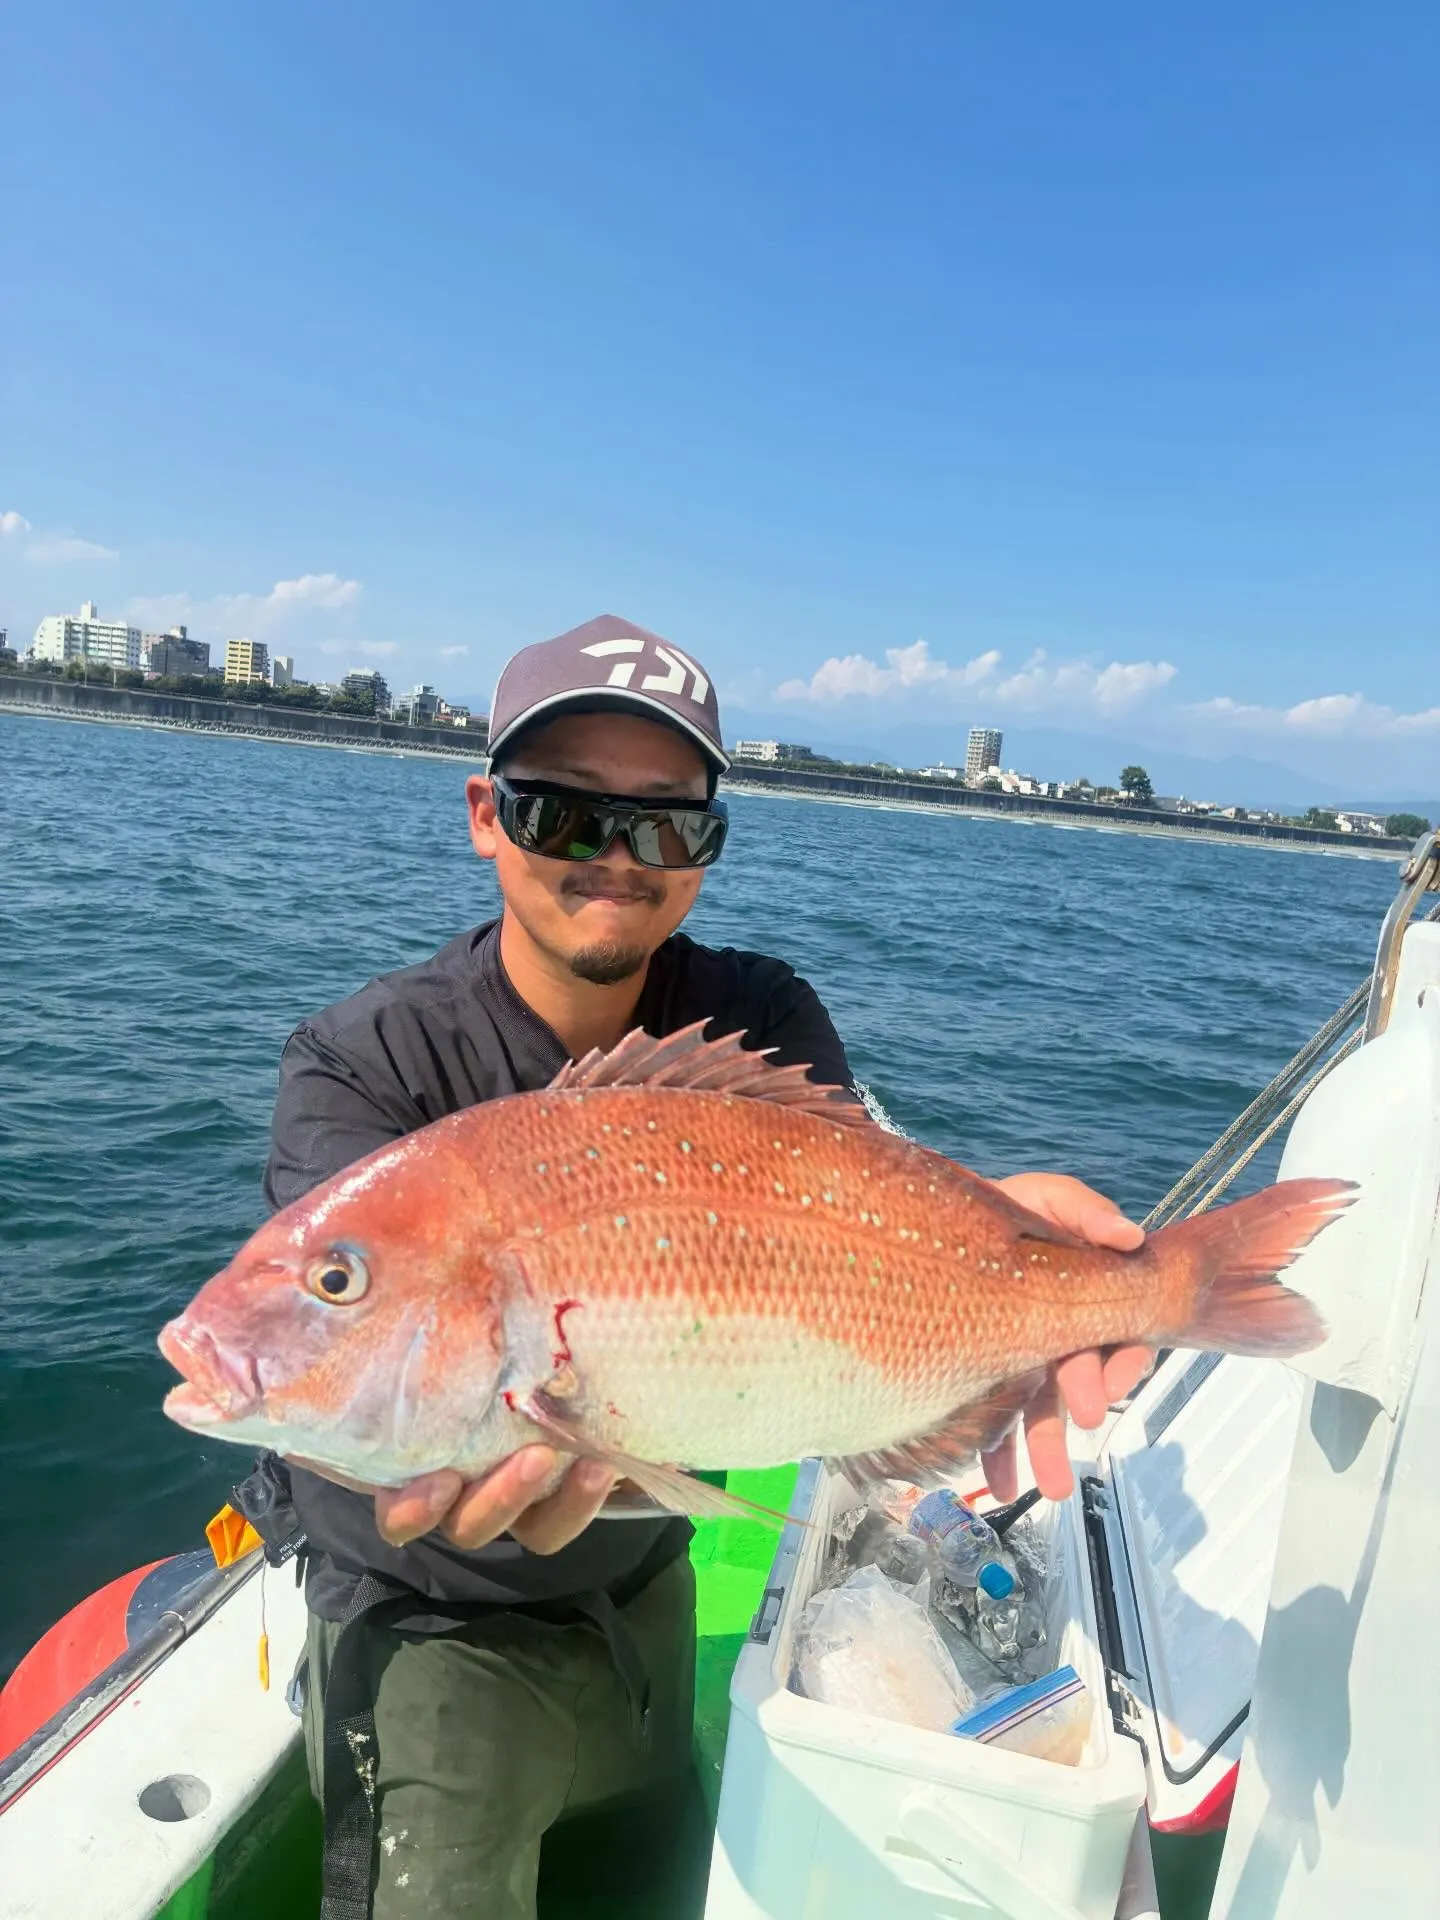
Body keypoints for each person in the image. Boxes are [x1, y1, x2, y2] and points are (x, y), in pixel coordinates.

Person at [248, 613, 1151, 1920]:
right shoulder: (363, 1067)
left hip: (648, 1594)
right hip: (426, 1627)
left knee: (655, 1887)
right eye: (562, 810)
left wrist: (1001, 1246)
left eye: (668, 823)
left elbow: (855, 1249)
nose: (618, 858)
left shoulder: (760, 1019)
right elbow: (326, 1349)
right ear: (484, 816)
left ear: (709, 847)